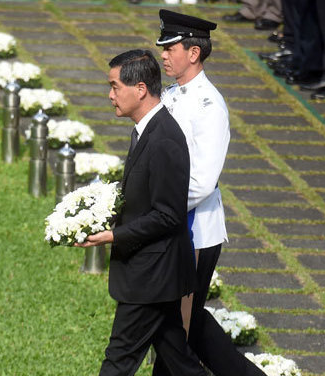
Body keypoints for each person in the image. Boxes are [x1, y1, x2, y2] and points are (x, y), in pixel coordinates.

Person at [75, 49, 206, 376]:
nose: (110, 95)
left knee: (118, 361)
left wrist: (114, 235)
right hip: (155, 274)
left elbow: (167, 215)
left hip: (152, 275)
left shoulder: (164, 139)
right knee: (178, 360)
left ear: (141, 89)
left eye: (115, 87)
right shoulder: (146, 129)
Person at [153, 9, 266, 376]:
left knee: (179, 331)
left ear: (194, 53)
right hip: (172, 225)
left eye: (171, 47)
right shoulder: (172, 95)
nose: (164, 55)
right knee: (184, 324)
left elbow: (202, 180)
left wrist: (156, 206)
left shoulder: (209, 105)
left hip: (194, 231)